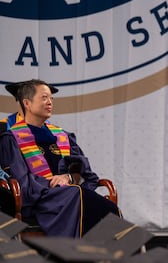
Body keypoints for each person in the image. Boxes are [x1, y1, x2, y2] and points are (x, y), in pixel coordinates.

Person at [0, 79, 120, 237]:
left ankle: (119, 256)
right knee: (79, 196)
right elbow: (22, 182)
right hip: (42, 201)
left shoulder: (62, 136)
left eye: (51, 98)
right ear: (27, 103)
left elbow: (84, 172)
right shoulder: (12, 139)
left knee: (94, 201)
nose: (50, 102)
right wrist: (52, 183)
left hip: (70, 194)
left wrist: (68, 177)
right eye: (44, 98)